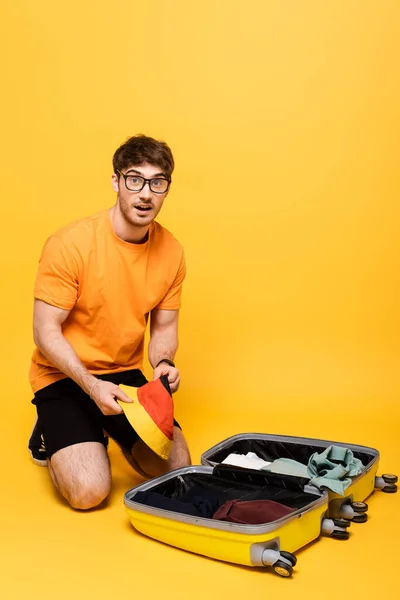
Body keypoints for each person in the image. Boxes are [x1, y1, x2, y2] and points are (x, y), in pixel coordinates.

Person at [28, 134, 192, 510]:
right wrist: (89, 385)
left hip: (124, 376)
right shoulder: (70, 243)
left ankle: (107, 428)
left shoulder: (172, 252)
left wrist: (164, 364)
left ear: (167, 188)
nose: (145, 193)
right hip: (65, 375)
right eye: (135, 179)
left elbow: (164, 329)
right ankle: (53, 431)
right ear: (116, 181)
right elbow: (44, 331)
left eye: (157, 182)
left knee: (178, 468)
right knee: (89, 492)